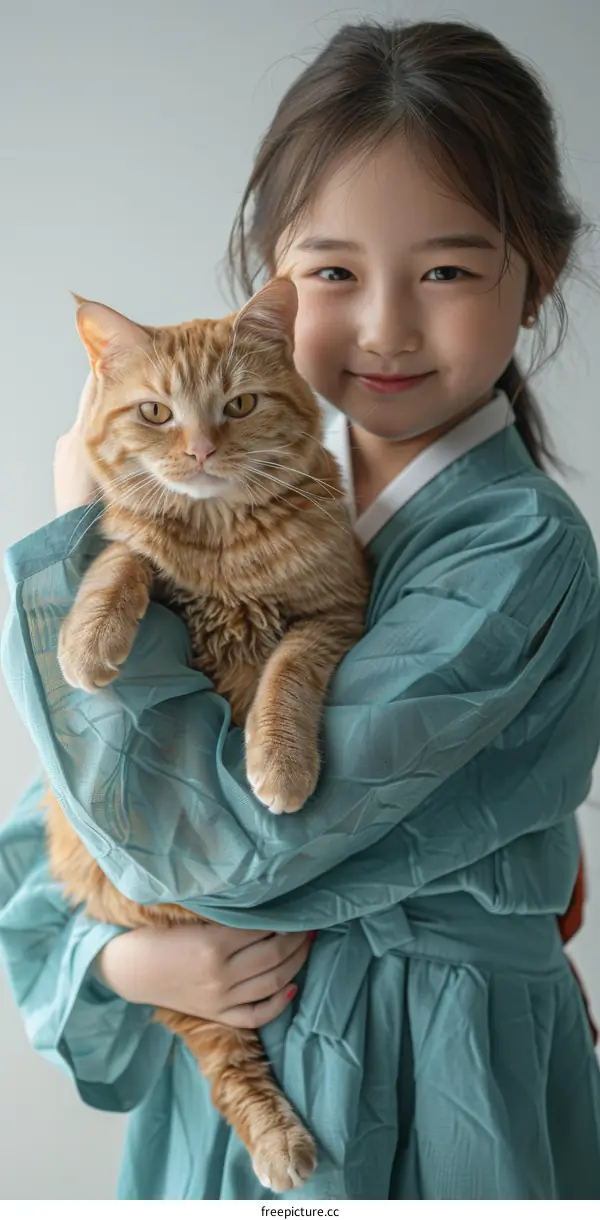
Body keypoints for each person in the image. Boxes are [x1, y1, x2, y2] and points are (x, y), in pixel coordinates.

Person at [1, 18, 600, 1201]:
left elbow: (241, 838)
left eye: (447, 269)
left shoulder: (518, 544)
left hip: (431, 1064)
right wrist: (120, 956)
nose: (383, 324)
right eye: (333, 272)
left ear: (536, 277)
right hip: (223, 1067)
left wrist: (87, 536)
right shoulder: (254, 495)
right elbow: (56, 834)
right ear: (269, 284)